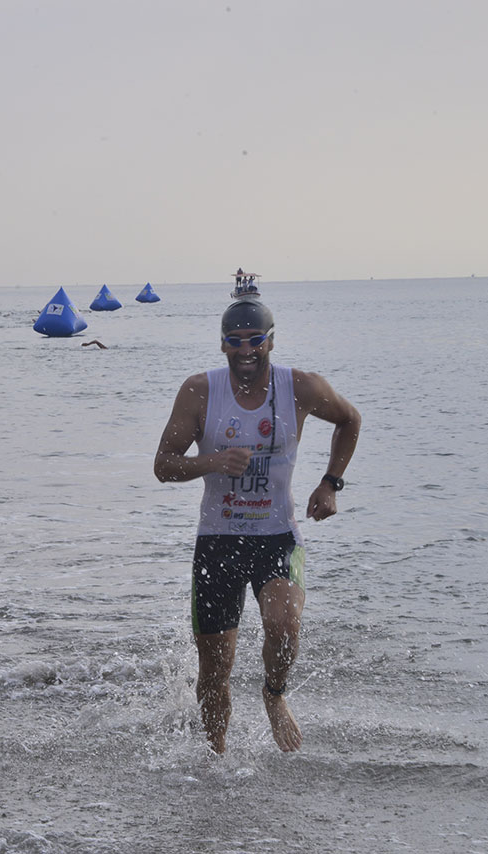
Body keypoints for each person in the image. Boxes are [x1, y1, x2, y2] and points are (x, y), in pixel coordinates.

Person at [153, 297, 361, 755]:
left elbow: (350, 420)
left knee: (284, 626)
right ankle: (215, 757)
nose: (245, 350)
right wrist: (212, 461)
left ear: (271, 340)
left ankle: (274, 693)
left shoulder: (300, 388)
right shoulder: (200, 391)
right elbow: (163, 465)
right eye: (234, 342)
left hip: (277, 535)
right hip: (218, 541)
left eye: (254, 341)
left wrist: (329, 484)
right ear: (222, 345)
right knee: (214, 669)